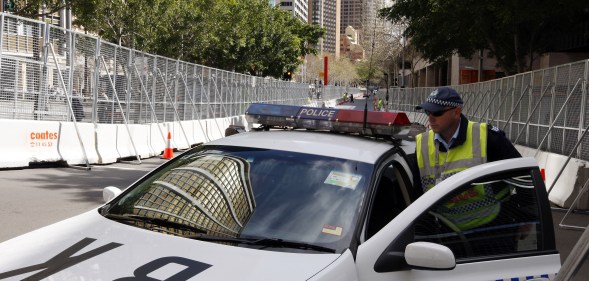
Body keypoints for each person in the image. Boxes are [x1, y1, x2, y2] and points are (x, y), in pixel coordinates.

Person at [410, 86, 525, 256]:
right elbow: (416, 196)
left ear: (456, 112)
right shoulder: (422, 144)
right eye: (428, 112)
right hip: (447, 234)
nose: (431, 118)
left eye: (437, 113)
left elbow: (523, 175)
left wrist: (526, 218)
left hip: (493, 231)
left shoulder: (487, 138)